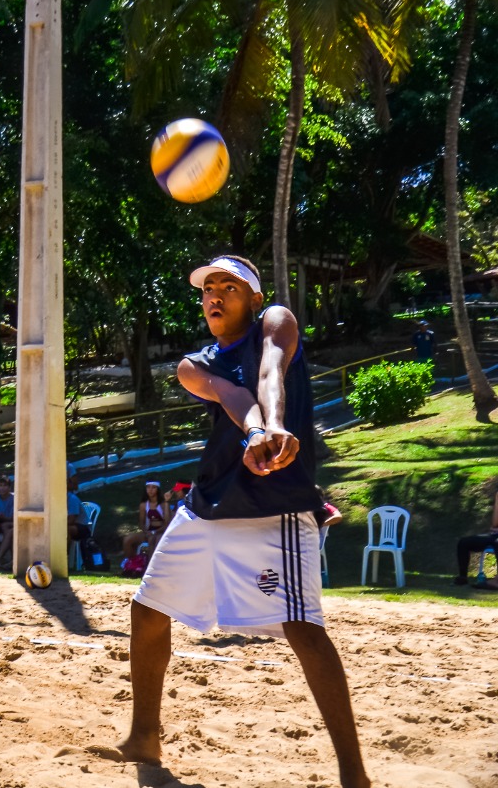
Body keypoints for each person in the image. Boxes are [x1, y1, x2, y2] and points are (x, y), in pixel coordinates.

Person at [92, 255, 370, 788]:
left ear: (255, 299)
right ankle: (144, 735)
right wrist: (255, 435)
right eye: (208, 289)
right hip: (208, 504)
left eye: (229, 287)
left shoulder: (276, 321)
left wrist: (277, 428)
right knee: (148, 610)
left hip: (276, 506)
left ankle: (354, 775)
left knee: (303, 629)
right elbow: (232, 394)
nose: (215, 295)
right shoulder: (193, 364)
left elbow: (269, 372)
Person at [453, 488, 498, 590]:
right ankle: (463, 577)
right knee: (464, 542)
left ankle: (496, 581)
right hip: (495, 535)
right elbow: (495, 523)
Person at [122, 481, 169, 559]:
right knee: (127, 539)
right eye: (148, 487)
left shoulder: (163, 504)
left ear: (158, 489)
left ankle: (151, 567)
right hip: (148, 532)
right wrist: (146, 532)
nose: (150, 490)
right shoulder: (143, 505)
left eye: (153, 487)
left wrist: (155, 532)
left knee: (152, 540)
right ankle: (133, 564)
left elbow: (167, 523)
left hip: (161, 532)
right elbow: (141, 523)